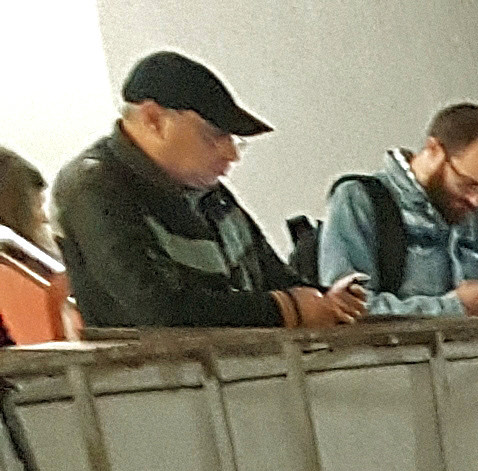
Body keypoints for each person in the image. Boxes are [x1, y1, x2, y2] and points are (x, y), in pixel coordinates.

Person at [56, 54, 366, 333]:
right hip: (152, 385)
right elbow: (158, 307)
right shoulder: (93, 186)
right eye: (215, 135)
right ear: (154, 120)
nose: (232, 153)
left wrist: (327, 299)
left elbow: (273, 276)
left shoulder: (209, 193)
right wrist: (286, 309)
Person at [317, 105, 478, 318]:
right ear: (434, 150)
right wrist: (455, 307)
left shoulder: (476, 216)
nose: (476, 201)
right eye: (468, 184)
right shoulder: (359, 200)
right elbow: (347, 309)